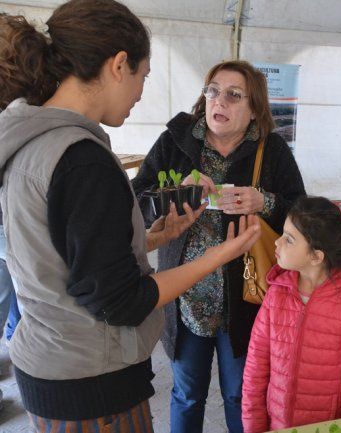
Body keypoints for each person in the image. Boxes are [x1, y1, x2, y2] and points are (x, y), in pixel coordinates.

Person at [0, 2, 260, 431]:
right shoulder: (82, 159)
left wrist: (150, 239)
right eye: (143, 77)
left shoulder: (35, 140)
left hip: (55, 363)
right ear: (120, 64)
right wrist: (223, 253)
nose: (140, 92)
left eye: (235, 95)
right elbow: (121, 301)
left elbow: (70, 255)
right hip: (89, 383)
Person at [132, 60, 306, 433]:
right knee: (187, 395)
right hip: (185, 298)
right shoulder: (175, 143)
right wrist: (178, 192)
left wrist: (265, 202)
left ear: (255, 107)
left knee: (240, 395)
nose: (219, 101)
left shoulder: (271, 149)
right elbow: (135, 205)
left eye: (233, 95)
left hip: (244, 300)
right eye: (212, 90)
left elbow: (303, 213)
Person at [241, 197, 341, 433]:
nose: (277, 242)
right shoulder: (275, 296)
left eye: (289, 239)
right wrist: (254, 426)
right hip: (277, 425)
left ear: (316, 256)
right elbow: (255, 367)